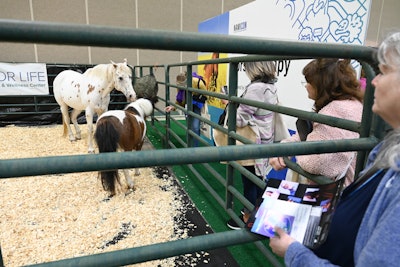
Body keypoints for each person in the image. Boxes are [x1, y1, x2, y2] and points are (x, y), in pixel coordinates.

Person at [269, 31, 400, 267]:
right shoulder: (384, 140)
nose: (374, 81)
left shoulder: (337, 111)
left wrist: (294, 252)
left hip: (327, 208)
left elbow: (322, 163)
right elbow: (310, 139)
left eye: (385, 72)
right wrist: (289, 147)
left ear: (320, 84)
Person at [269, 58, 364, 186]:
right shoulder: (351, 104)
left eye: (309, 82)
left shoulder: (335, 110)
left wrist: (294, 151)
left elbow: (315, 163)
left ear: (322, 84)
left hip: (336, 194)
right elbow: (309, 136)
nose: (306, 86)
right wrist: (284, 148)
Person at [225, 61, 278, 230]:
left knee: (250, 180)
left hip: (254, 140)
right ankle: (261, 215)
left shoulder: (256, 89)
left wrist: (231, 107)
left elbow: (240, 118)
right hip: (265, 137)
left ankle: (249, 218)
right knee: (258, 179)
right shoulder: (271, 86)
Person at [165, 71, 207, 147]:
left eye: (183, 85)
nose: (181, 86)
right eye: (179, 85)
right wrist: (173, 107)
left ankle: (195, 148)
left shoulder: (198, 82)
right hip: (187, 105)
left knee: (195, 127)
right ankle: (189, 146)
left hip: (197, 105)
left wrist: (195, 99)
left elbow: (206, 95)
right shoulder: (180, 87)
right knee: (189, 126)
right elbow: (179, 99)